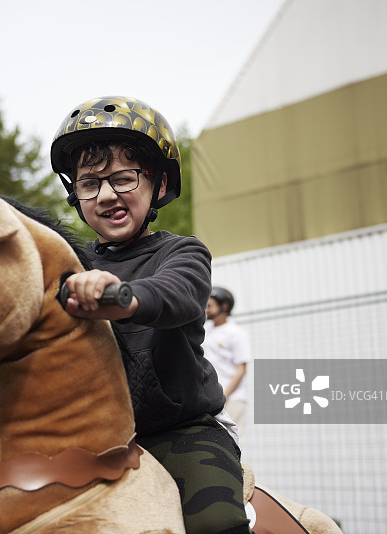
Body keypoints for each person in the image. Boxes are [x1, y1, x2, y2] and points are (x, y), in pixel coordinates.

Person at [52, 96, 250, 534]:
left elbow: (177, 295)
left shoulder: (182, 252)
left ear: (158, 184)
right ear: (75, 195)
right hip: (89, 440)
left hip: (182, 431)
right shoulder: (66, 263)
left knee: (217, 523)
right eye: (89, 184)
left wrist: (119, 297)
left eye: (123, 178)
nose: (106, 195)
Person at [203, 287, 252, 437]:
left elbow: (241, 369)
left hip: (232, 398)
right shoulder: (206, 330)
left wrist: (224, 395)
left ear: (224, 306)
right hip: (211, 398)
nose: (206, 309)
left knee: (232, 441)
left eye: (210, 306)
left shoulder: (236, 333)